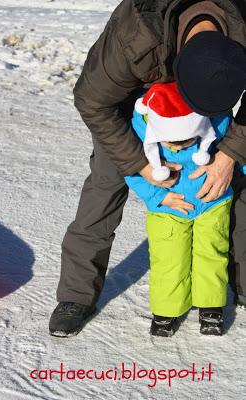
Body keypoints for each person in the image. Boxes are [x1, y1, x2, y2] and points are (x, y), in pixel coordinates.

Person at [49, 0, 246, 337]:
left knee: (231, 180)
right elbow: (91, 100)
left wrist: (228, 154)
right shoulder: (136, 34)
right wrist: (140, 165)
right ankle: (76, 295)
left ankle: (240, 278)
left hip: (207, 93)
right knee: (107, 183)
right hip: (126, 99)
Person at [125, 81, 240, 337]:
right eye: (169, 142)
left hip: (213, 203)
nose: (176, 148)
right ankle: (167, 310)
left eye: (184, 142)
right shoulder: (141, 129)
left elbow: (235, 153)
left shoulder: (217, 123)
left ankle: (211, 306)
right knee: (168, 259)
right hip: (167, 209)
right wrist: (158, 196)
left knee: (211, 254)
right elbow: (131, 170)